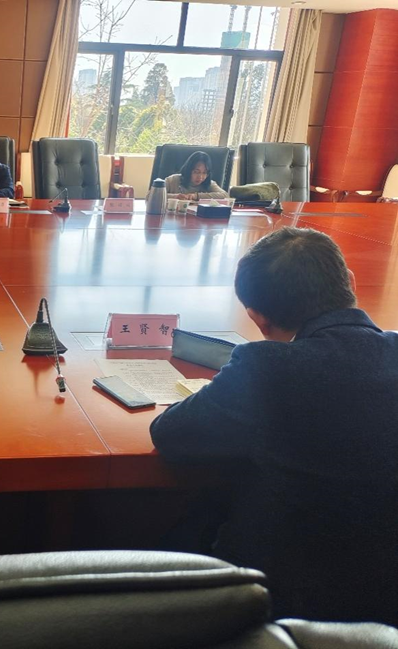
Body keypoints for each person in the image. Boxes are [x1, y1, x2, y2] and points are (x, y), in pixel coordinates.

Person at [150, 227, 398, 626]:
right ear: (350, 283)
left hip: (278, 603)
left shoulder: (266, 367)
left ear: (258, 319)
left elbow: (170, 435)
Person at [164, 151, 228, 200]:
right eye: (196, 172)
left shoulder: (209, 183)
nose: (200, 177)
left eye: (204, 173)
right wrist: (175, 196)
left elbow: (225, 195)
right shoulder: (172, 180)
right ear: (188, 170)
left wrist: (196, 196)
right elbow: (158, 194)